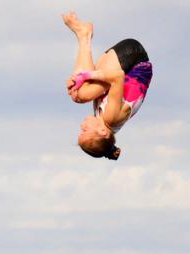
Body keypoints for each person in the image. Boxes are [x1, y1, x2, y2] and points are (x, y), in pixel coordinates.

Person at [62, 11, 153, 160]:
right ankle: (84, 35)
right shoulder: (111, 118)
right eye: (85, 131)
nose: (81, 127)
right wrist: (85, 76)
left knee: (78, 94)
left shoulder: (102, 118)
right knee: (83, 93)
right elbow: (118, 77)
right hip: (134, 58)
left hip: (124, 64)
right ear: (103, 132)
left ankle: (83, 36)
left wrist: (76, 83)